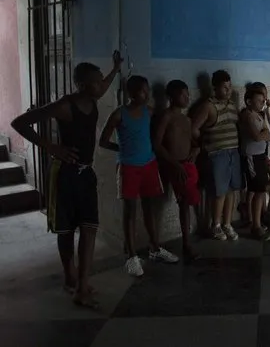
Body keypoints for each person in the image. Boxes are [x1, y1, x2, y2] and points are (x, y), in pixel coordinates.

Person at [11, 52, 121, 308]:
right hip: (65, 174)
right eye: (95, 81)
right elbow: (20, 122)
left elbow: (104, 86)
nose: (100, 84)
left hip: (86, 173)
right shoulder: (65, 106)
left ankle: (81, 286)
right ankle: (71, 276)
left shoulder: (92, 98)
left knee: (90, 227)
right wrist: (51, 146)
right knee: (66, 229)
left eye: (99, 80)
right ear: (82, 85)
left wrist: (115, 68)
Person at [100, 75, 179, 277]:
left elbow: (158, 128)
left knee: (149, 208)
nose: (148, 94)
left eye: (148, 90)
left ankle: (155, 248)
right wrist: (122, 149)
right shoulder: (119, 114)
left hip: (149, 165)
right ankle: (132, 256)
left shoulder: (149, 112)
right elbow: (103, 141)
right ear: (132, 93)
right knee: (130, 212)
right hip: (129, 168)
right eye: (144, 90)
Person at [153, 80, 201, 263]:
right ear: (171, 97)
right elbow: (157, 144)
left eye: (188, 94)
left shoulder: (187, 120)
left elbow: (193, 142)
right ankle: (160, 243)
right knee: (167, 202)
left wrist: (197, 150)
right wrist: (174, 164)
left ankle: (188, 242)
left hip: (186, 165)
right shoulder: (166, 116)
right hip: (171, 165)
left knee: (186, 203)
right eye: (183, 94)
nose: (187, 97)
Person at [191, 70, 241, 241]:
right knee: (219, 192)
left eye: (229, 87)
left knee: (231, 190)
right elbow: (193, 128)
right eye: (224, 88)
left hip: (233, 152)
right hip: (217, 153)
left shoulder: (232, 104)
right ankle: (216, 225)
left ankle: (227, 223)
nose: (228, 91)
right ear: (215, 88)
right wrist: (204, 144)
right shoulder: (208, 106)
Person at [239, 87, 270, 241]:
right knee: (257, 189)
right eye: (259, 101)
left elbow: (268, 132)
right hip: (251, 157)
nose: (262, 103)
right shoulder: (247, 116)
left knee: (260, 190)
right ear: (248, 101)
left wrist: (264, 134)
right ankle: (255, 225)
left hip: (259, 156)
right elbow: (258, 136)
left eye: (263, 101)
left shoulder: (258, 115)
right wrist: (264, 134)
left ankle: (256, 223)